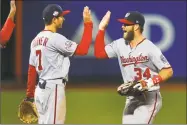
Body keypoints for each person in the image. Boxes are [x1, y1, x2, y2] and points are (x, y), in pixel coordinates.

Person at [94, 11, 173, 124]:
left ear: (136, 27)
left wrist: (149, 82)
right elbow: (99, 53)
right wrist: (101, 29)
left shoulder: (149, 47)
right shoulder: (119, 44)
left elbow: (168, 70)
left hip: (149, 96)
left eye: (126, 24)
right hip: (131, 98)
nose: (123, 27)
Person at [25, 4, 93, 124]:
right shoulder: (55, 38)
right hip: (53, 88)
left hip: (39, 91)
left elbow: (31, 69)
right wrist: (88, 25)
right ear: (54, 19)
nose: (63, 19)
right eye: (61, 16)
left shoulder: (35, 40)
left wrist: (30, 95)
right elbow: (82, 50)